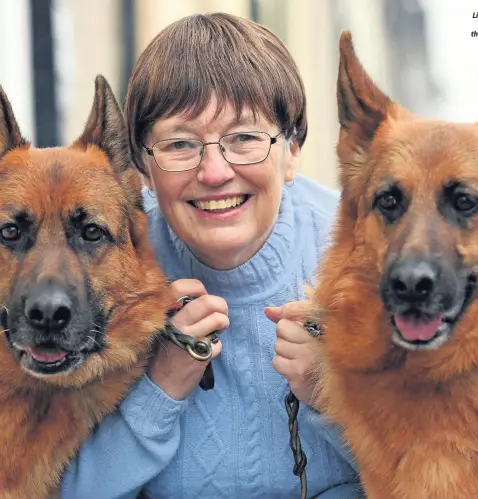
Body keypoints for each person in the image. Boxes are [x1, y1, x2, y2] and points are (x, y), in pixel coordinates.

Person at [60, 12, 360, 499]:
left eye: (244, 138)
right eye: (180, 144)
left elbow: (447, 476)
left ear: (293, 150)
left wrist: (333, 399)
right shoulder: (100, 265)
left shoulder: (369, 256)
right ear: (141, 166)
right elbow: (60, 488)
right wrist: (159, 389)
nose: (215, 172)